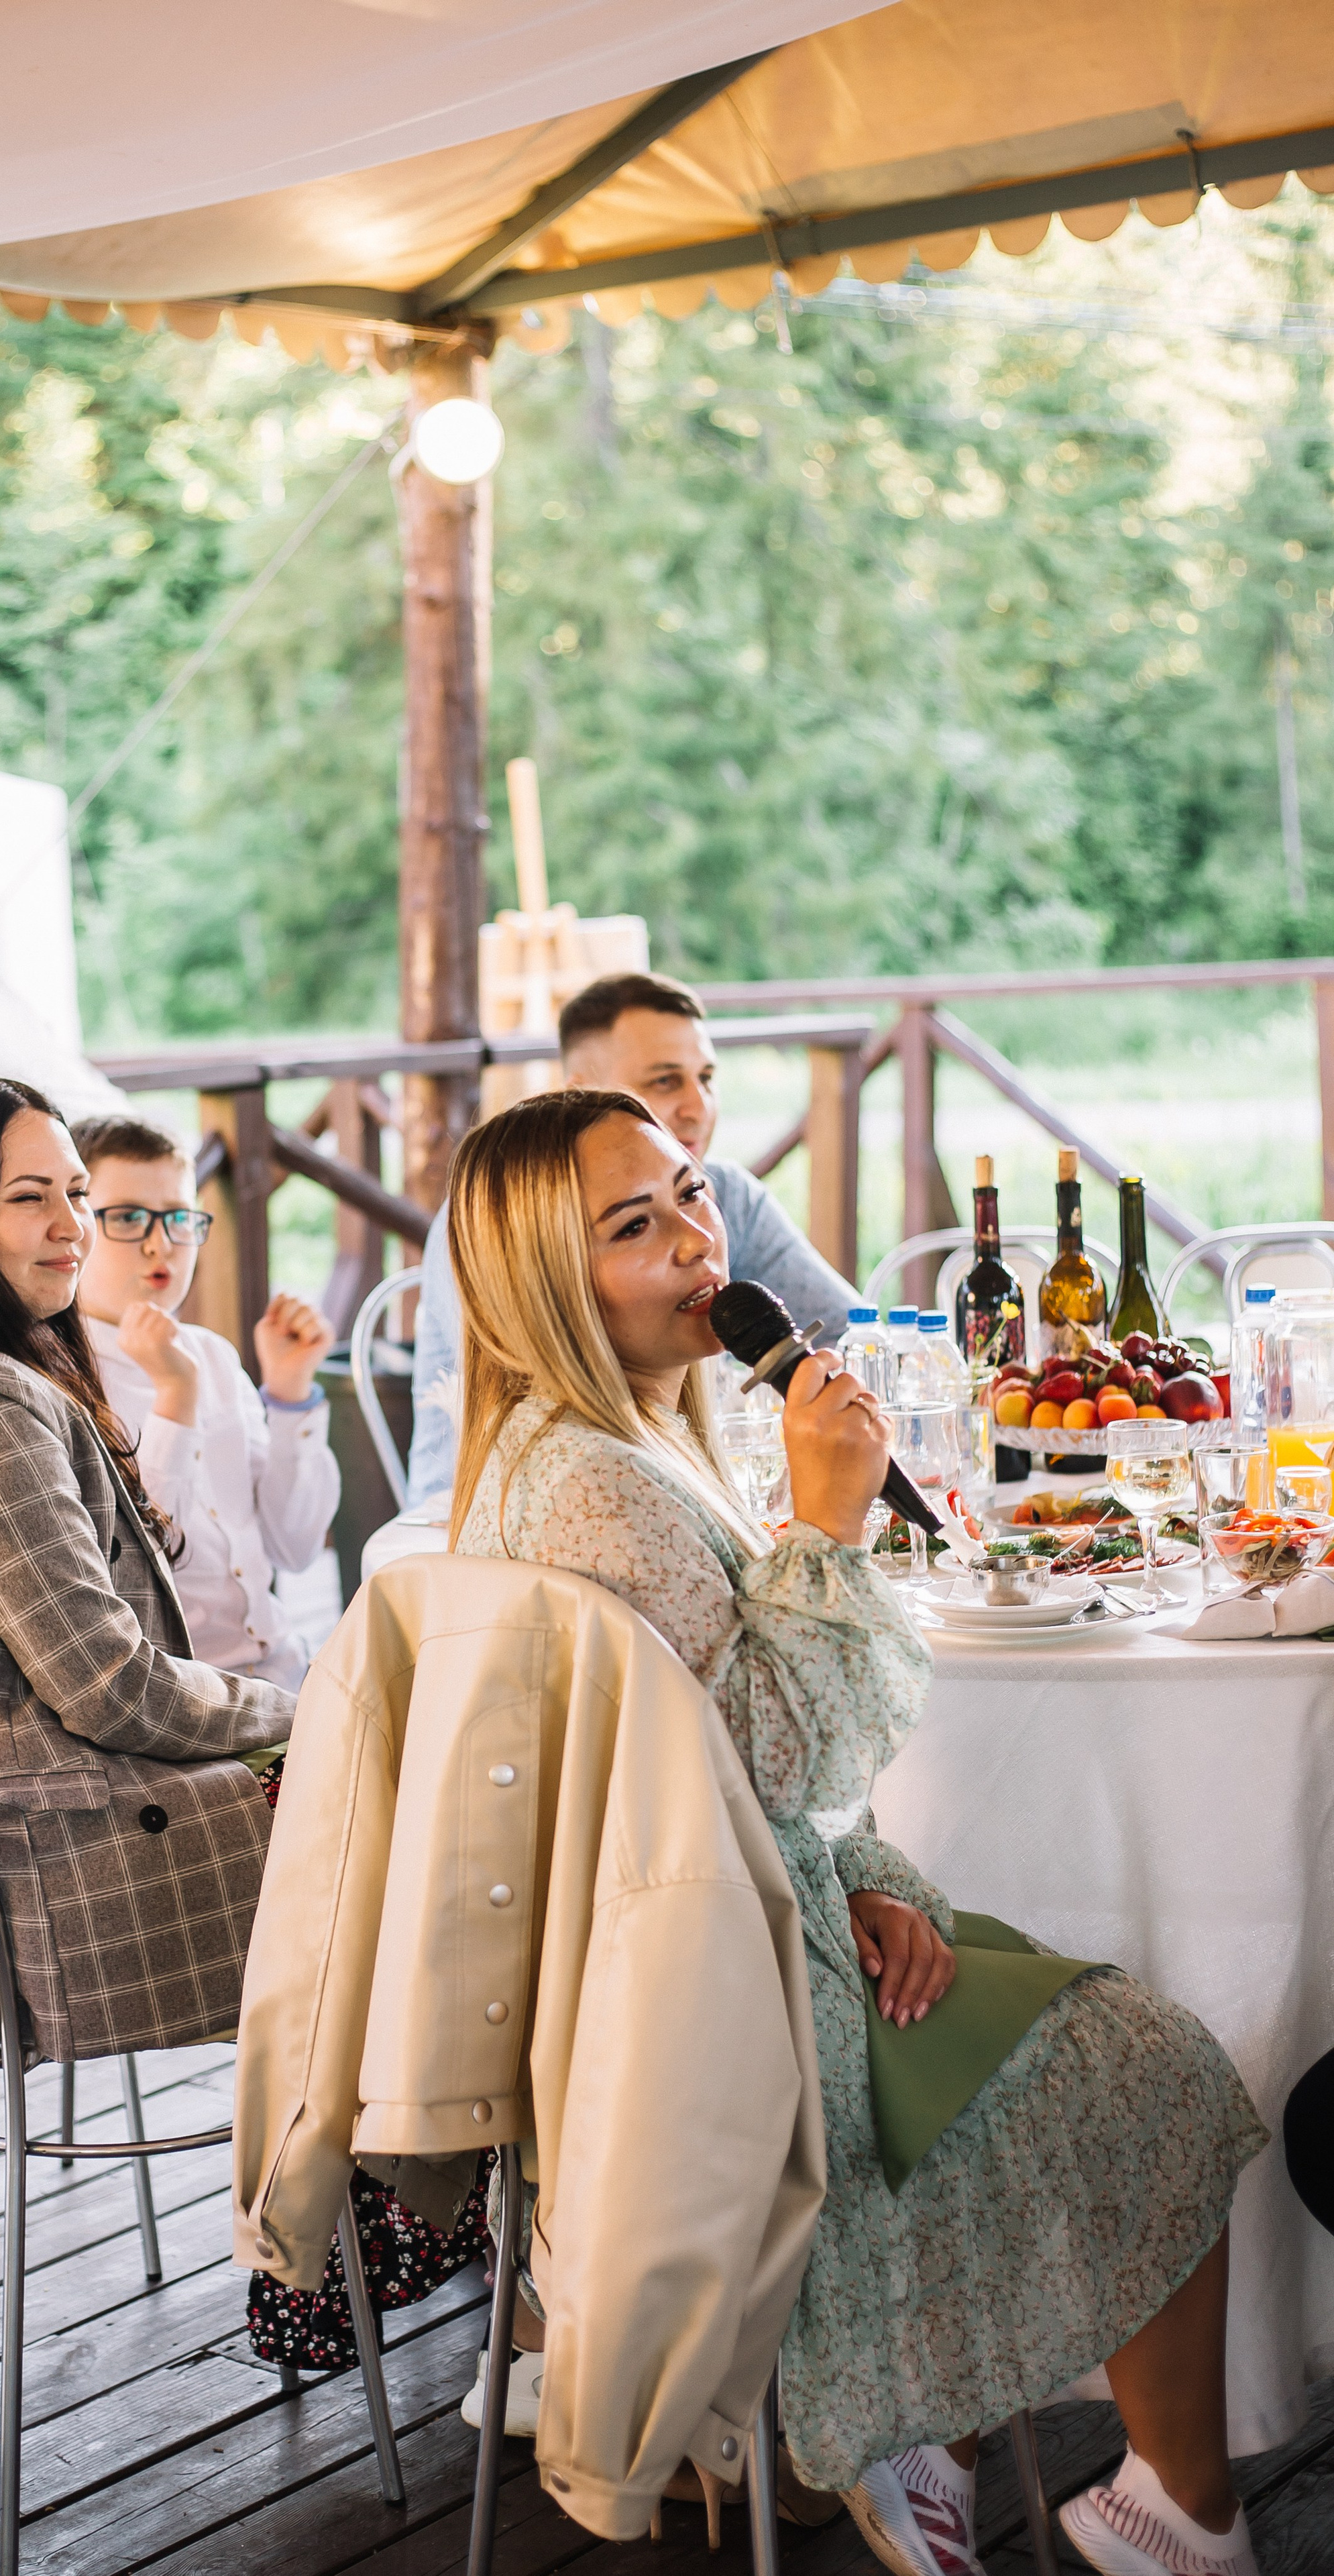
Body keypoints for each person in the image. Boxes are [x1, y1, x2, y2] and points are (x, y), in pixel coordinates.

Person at [444, 1087, 1267, 2576]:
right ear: (542, 1284)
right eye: (634, 1227)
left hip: (743, 1918)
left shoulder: (611, 1443)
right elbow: (765, 1755)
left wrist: (864, 1879)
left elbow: (738, 1778)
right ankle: (1162, 2508)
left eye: (691, 1195)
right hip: (721, 1997)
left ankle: (963, 2445)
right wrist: (821, 1527)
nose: (698, 1240)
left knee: (1032, 1981)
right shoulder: (593, 1498)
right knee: (1154, 2066)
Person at [0, 1075, 294, 2063]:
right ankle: (376, 2208)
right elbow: (112, 1690)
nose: (73, 1226)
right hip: (72, 1881)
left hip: (19, 1838)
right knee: (421, 1814)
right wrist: (311, 1710)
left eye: (78, 1194)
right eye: (29, 1197)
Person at [406, 969, 858, 1505]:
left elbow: (854, 1334)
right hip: (488, 1517)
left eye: (706, 1078)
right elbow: (546, 1401)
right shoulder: (500, 1219)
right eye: (665, 1082)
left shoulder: (726, 1194)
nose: (699, 1106)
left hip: (684, 1482)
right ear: (579, 1098)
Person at [70, 1113, 339, 1688]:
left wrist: (290, 1396)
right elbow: (138, 1577)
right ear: (74, 1226)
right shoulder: (61, 1383)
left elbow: (296, 1548)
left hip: (285, 1676)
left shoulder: (212, 1356)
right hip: (187, 1709)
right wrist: (176, 1398)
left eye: (179, 1218)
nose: (160, 1244)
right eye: (127, 1217)